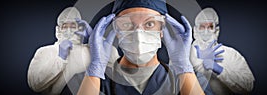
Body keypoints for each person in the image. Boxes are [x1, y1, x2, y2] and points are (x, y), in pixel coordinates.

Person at [77, 0, 205, 95]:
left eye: (149, 24)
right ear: (116, 30)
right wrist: (95, 69)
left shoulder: (190, 80)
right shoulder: (91, 81)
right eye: (127, 24)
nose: (138, 34)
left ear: (162, 29)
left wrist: (183, 67)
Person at [27, 7, 120, 95]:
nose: (69, 29)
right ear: (58, 29)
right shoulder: (45, 51)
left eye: (72, 25)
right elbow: (35, 84)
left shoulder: (91, 50)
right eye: (65, 25)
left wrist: (97, 41)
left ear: (79, 28)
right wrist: (60, 59)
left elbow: (119, 72)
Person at [189, 8, 255, 95]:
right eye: (202, 26)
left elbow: (248, 85)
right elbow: (171, 85)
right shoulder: (184, 53)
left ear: (216, 30)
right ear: (196, 29)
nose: (206, 31)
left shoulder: (230, 54)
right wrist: (197, 64)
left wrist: (219, 70)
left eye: (210, 27)